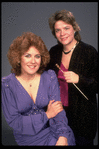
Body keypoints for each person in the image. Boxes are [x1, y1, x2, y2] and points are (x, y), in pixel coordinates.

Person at [2, 32, 75, 146]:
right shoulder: (7, 84)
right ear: (18, 58)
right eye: (27, 56)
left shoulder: (49, 77)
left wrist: (62, 136)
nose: (33, 61)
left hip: (54, 130)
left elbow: (58, 111)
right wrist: (46, 115)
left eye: (37, 56)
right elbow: (15, 122)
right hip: (28, 138)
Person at [47, 10, 98, 146]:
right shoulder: (53, 52)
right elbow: (44, 81)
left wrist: (79, 79)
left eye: (66, 28)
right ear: (54, 33)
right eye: (58, 30)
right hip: (59, 117)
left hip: (83, 120)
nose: (62, 33)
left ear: (75, 28)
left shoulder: (89, 52)